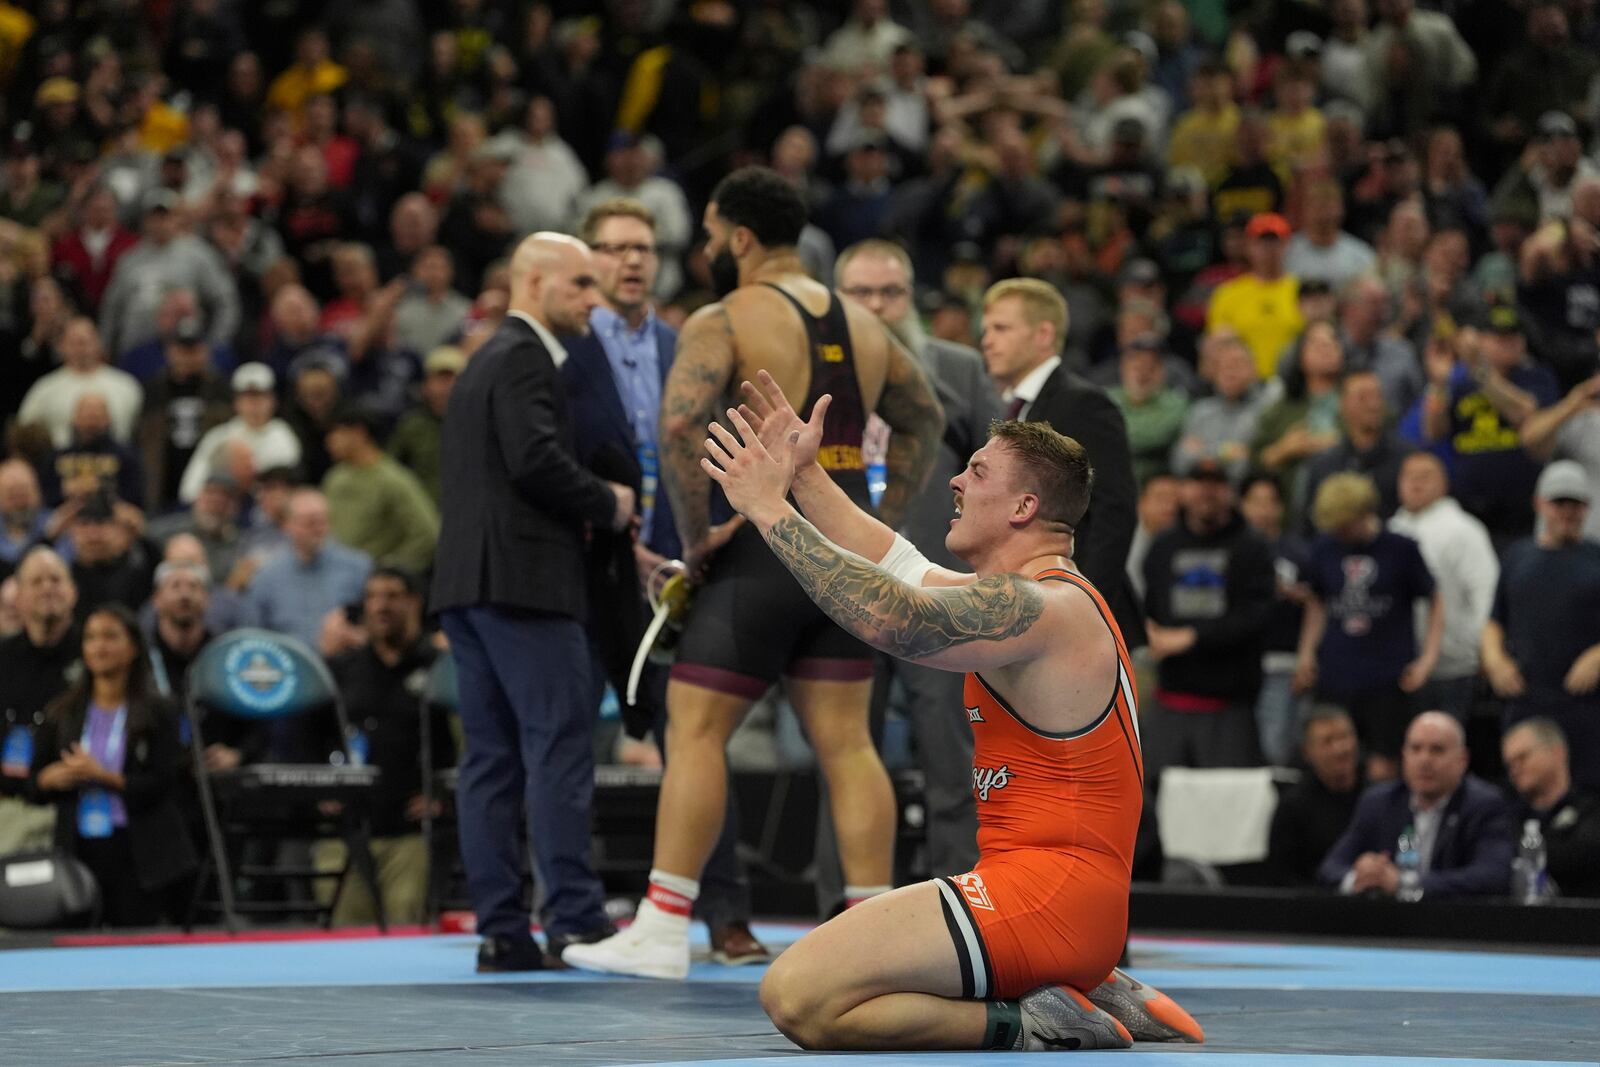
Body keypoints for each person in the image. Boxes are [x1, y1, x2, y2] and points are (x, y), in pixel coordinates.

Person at [691, 380, 1202, 1050]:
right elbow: (898, 564)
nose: (956, 480)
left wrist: (769, 512)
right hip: (1049, 896)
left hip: (1049, 899)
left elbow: (891, 617)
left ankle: (1035, 1020)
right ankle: (1083, 982)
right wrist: (805, 477)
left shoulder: (1046, 609)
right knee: (818, 987)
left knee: (797, 997)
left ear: (1024, 505)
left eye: (978, 470)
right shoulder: (1035, 597)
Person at [565, 168, 942, 981]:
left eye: (707, 234)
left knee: (696, 729)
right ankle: (870, 928)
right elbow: (925, 416)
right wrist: (875, 522)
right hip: (840, 556)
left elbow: (677, 421)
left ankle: (664, 926)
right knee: (849, 744)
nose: (703, 249)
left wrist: (702, 535)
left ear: (738, 237)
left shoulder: (726, 314)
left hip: (761, 551)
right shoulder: (867, 326)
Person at [561, 197, 766, 964]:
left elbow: (711, 447)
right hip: (597, 563)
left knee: (696, 737)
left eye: (641, 246)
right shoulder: (568, 347)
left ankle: (726, 915)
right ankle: (576, 913)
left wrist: (697, 541)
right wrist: (620, 540)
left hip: (685, 561)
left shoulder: (690, 342)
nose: (631, 259)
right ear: (590, 260)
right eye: (613, 247)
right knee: (569, 742)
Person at [429, 232, 637, 973]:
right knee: (557, 747)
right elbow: (535, 460)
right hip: (528, 584)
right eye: (580, 284)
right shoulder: (524, 356)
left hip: (467, 585)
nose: (594, 298)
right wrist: (610, 503)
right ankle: (576, 920)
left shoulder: (482, 358)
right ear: (536, 281)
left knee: (490, 759)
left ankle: (502, 930)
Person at [823, 237, 1002, 898]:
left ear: (910, 297)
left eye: (890, 291)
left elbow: (998, 478)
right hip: (839, 591)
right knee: (842, 756)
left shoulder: (959, 369)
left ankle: (964, 907)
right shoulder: (810, 369)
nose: (876, 304)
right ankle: (841, 913)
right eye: (861, 292)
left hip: (936, 590)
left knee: (952, 754)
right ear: (836, 299)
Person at [981, 278, 1144, 649]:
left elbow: (1114, 511)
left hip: (1082, 620)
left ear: (1043, 335)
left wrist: (1086, 605)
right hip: (1032, 607)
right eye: (987, 329)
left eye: (1001, 328)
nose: (987, 340)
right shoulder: (1011, 410)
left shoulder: (1083, 404)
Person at [29, 604, 198, 925]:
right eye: (91, 638)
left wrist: (102, 777)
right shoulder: (61, 712)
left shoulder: (160, 711)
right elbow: (34, 785)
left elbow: (164, 784)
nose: (99, 646)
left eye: (110, 636)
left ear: (133, 648)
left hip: (138, 853)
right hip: (78, 850)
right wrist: (48, 780)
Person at [314, 568, 453, 925]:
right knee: (343, 932)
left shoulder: (440, 667)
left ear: (414, 603)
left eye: (392, 596)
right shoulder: (341, 669)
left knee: (408, 927)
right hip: (347, 829)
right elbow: (306, 733)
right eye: (373, 597)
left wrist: (442, 794)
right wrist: (318, 787)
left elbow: (467, 738)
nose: (380, 606)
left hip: (411, 831)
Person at [1296, 473, 1443, 782]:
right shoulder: (1325, 548)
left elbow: (1434, 598)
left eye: (1346, 526)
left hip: (1387, 678)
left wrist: (1428, 658)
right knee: (1335, 764)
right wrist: (1306, 653)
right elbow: (1317, 601)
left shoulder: (1400, 548)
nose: (1341, 534)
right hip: (1336, 674)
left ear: (1365, 514)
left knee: (1383, 769)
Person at [1141, 453, 1275, 789]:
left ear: (1228, 493)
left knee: (1226, 809)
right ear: (1184, 491)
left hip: (1230, 706)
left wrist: (1190, 638)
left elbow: (1256, 617)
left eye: (1216, 486)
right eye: (1199, 485)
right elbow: (1151, 605)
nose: (1207, 493)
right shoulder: (1164, 546)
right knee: (1157, 810)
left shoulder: (1253, 547)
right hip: (1170, 700)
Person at [1482, 460, 1600, 788]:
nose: (1567, 512)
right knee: (1525, 793)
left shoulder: (1596, 557)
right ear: (1539, 504)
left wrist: (1596, 656)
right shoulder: (1517, 557)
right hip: (1527, 701)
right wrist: (1495, 661)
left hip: (1585, 705)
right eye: (1558, 503)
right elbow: (1494, 622)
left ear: (1587, 508)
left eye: (1575, 504)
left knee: (1587, 797)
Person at [1317, 711, 1513, 900]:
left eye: (1437, 750)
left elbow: (1493, 875)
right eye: (1416, 749)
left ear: (1462, 760)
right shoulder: (1379, 802)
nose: (1424, 760)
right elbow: (1330, 867)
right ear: (1404, 756)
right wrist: (1361, 878)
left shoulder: (1483, 805)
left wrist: (1406, 882)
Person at [1386, 453, 1498, 723]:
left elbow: (1485, 591)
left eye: (1425, 477)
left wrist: (1487, 648)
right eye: (1409, 477)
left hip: (1454, 666)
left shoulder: (1463, 530)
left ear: (1444, 484)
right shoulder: (1389, 530)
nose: (1416, 484)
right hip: (1398, 664)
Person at [0, 547, 81, 856]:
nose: (47, 587)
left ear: (72, 592)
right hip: (11, 803)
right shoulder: (3, 657)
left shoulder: (96, 652)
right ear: (18, 598)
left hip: (78, 804)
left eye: (56, 579)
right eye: (36, 582)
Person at [243, 488, 370, 652]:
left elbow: (375, 629)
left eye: (323, 521)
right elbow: (253, 638)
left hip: (346, 666)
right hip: (289, 668)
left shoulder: (358, 567)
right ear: (287, 525)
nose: (318, 529)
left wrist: (355, 636)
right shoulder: (266, 578)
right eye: (310, 523)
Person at [321, 405, 440, 575]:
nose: (329, 441)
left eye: (335, 433)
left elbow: (428, 534)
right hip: (335, 576)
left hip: (371, 583)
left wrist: (389, 568)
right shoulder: (334, 478)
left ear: (358, 433)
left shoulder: (393, 479)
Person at [1501, 718, 1600, 898]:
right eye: (1510, 764)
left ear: (1557, 752)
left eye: (1522, 757)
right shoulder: (1506, 815)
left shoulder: (1592, 807)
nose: (1515, 769)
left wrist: (1528, 853)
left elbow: (1585, 853)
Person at [1267, 706, 1364, 886]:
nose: (1340, 749)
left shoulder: (1378, 797)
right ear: (1307, 752)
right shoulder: (1293, 807)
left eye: (1345, 737)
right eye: (1327, 741)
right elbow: (1282, 876)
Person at [387, 346, 460, 506]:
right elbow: (393, 472)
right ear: (426, 385)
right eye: (441, 380)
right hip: (424, 513)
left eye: (454, 379)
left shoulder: (479, 424)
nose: (447, 388)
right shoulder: (412, 426)